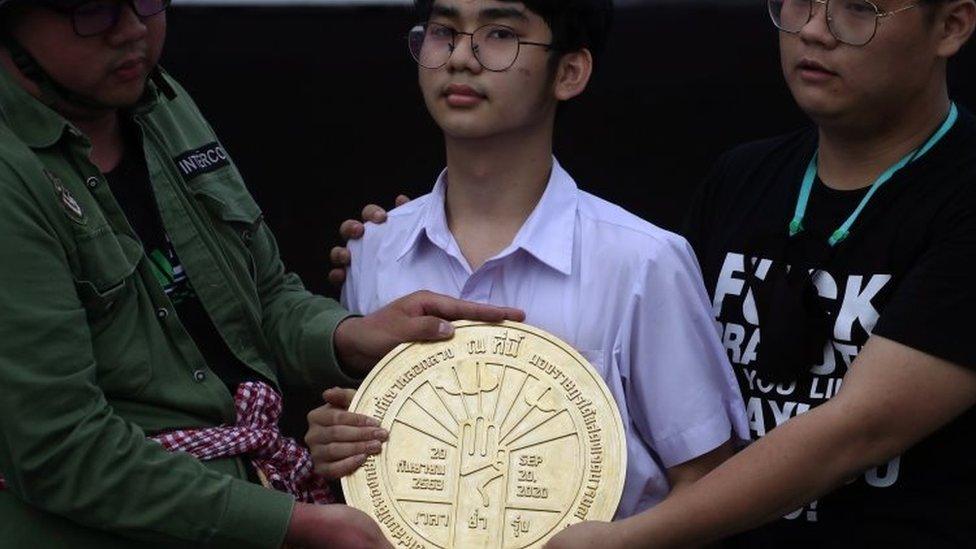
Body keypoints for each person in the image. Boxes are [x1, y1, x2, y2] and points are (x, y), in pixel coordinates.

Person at [0, 0, 524, 547]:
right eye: (94, 10)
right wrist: (288, 525)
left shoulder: (157, 100)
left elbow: (262, 297)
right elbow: (59, 451)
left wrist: (348, 337)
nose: (132, 29)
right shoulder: (12, 176)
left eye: (148, 1)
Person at [541, 0, 976, 546]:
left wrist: (634, 538)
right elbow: (643, 370)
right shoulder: (741, 177)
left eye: (857, 9)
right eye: (799, 4)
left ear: (952, 26)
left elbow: (861, 429)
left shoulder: (960, 192)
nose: (814, 31)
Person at [305, 0, 749, 521]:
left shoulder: (643, 261)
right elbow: (374, 454)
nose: (461, 58)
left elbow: (709, 480)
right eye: (444, 31)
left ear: (569, 72)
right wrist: (334, 442)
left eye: (498, 34)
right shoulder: (374, 250)